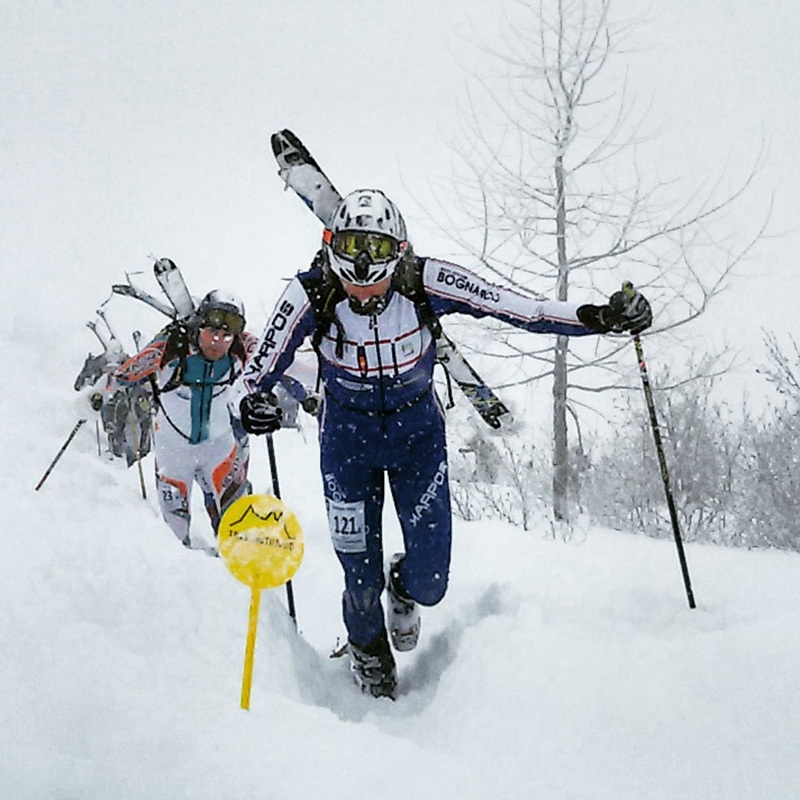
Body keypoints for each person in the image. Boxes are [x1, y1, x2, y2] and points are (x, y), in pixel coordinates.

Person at [240, 189, 652, 698]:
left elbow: (520, 307)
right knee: (358, 579)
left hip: (417, 439)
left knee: (432, 581)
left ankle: (405, 585)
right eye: (350, 273)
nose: (363, 292)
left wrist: (600, 317)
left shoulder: (425, 280)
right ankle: (369, 656)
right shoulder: (310, 292)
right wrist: (250, 402)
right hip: (347, 444)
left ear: (398, 253)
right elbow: (257, 369)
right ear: (332, 252)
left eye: (376, 276)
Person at [114, 289, 257, 551]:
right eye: (210, 332)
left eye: (226, 335)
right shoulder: (173, 345)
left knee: (238, 531)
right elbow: (124, 375)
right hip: (174, 453)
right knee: (174, 540)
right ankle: (183, 584)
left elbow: (278, 359)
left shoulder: (241, 347)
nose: (217, 341)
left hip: (220, 449)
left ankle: (236, 584)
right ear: (198, 325)